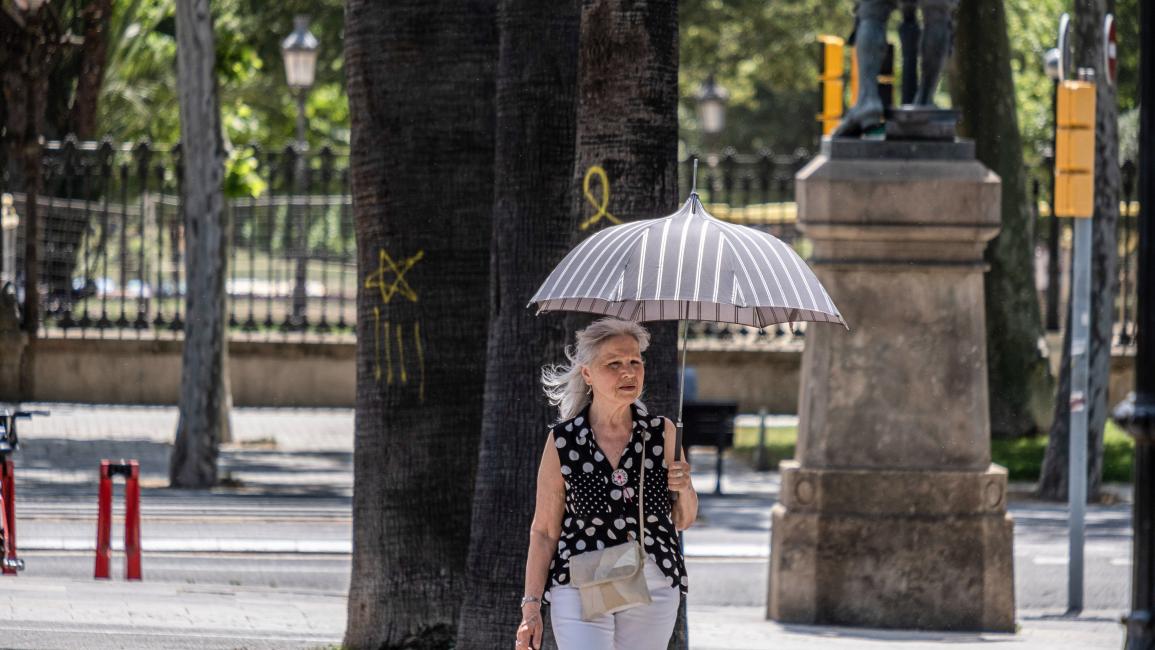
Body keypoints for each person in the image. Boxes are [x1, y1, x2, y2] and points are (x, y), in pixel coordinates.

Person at [515, 317, 698, 650]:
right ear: (587, 374)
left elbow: (682, 520)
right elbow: (543, 531)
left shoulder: (663, 432)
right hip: (580, 579)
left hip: (651, 578)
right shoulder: (563, 442)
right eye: (613, 364)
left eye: (634, 362)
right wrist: (531, 606)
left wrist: (684, 487)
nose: (627, 372)